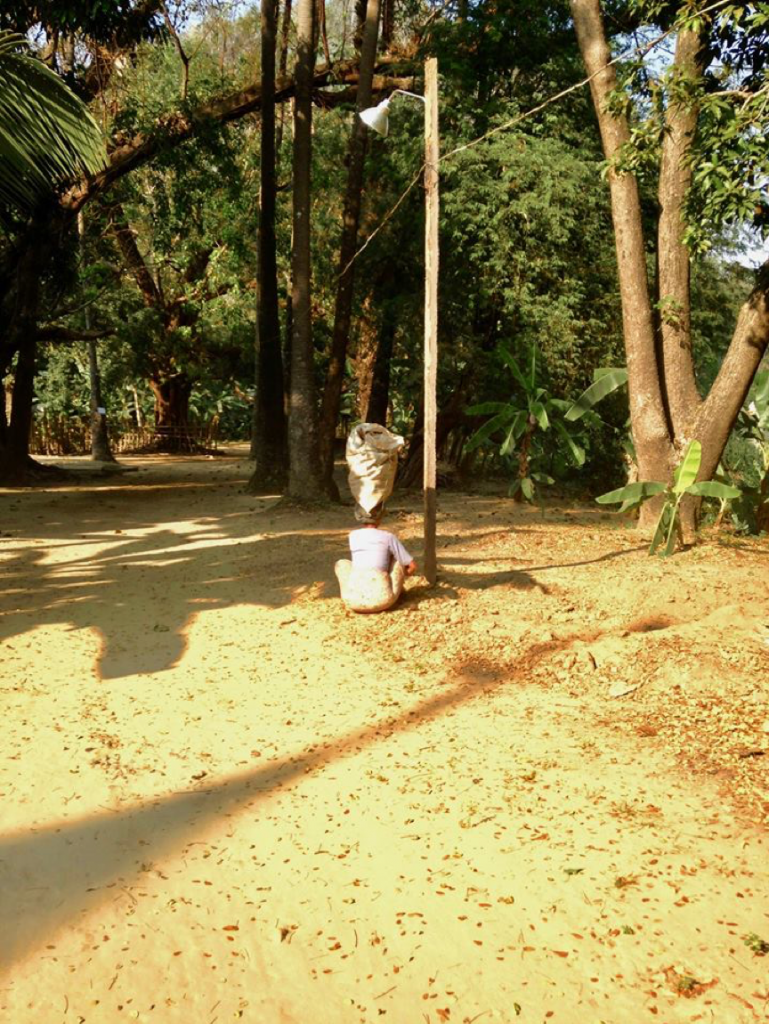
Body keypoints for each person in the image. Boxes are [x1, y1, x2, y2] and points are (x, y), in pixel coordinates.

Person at [335, 503, 417, 613]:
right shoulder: (388, 537)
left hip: (352, 601)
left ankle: (354, 590)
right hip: (383, 600)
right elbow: (412, 566)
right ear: (380, 516)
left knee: (342, 564)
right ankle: (398, 592)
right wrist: (401, 576)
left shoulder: (353, 535)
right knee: (398, 559)